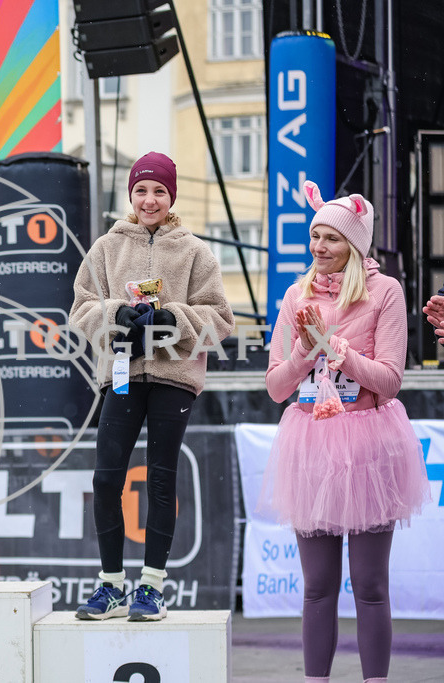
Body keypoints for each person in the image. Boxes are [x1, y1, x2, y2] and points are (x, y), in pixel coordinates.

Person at [260, 182, 429, 683]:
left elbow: (391, 380)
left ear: (355, 243)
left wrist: (337, 351)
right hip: (311, 443)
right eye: (315, 236)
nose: (319, 247)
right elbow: (274, 387)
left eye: (330, 238)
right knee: (317, 586)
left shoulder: (386, 291)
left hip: (371, 443)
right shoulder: (296, 295)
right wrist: (303, 354)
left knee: (371, 584)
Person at [69, 152, 234, 621]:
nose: (149, 199)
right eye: (141, 190)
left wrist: (171, 319)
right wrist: (115, 314)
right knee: (106, 478)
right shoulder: (105, 247)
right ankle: (111, 585)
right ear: (130, 195)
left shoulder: (196, 251)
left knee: (161, 478)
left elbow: (220, 318)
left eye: (159, 190)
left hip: (174, 379)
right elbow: (80, 308)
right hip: (120, 374)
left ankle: (153, 587)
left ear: (171, 196)